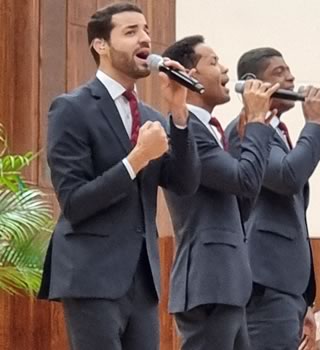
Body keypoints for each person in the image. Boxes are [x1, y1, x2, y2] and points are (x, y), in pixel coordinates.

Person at [37, 3, 200, 350]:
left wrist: (180, 113)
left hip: (142, 279)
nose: (144, 39)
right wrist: (138, 157)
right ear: (101, 46)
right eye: (130, 32)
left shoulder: (154, 116)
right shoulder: (72, 108)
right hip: (91, 275)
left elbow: (185, 184)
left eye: (146, 31)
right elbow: (75, 202)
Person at [161, 36, 279, 350]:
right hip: (208, 279)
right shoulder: (188, 132)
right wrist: (256, 121)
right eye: (213, 62)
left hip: (228, 281)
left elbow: (242, 201)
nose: (225, 69)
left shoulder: (214, 131)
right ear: (190, 75)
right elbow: (244, 179)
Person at [226, 47, 320, 350]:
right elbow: (287, 178)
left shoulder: (280, 133)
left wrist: (304, 301)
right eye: (278, 72)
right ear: (252, 83)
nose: (291, 78)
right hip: (265, 281)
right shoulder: (246, 129)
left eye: (289, 71)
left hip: (288, 286)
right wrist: (314, 125)